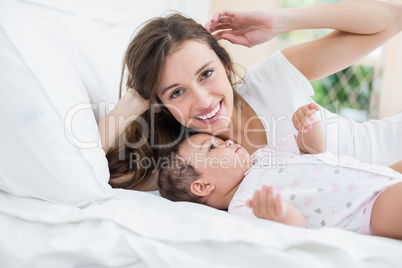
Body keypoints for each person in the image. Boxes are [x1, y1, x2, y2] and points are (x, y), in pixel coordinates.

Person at [98, 1, 402, 191]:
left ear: (226, 66)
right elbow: (84, 167)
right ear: (161, 105)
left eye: (206, 74)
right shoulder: (188, 167)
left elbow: (392, 17)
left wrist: (281, 22)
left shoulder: (272, 79)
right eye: (177, 92)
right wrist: (132, 102)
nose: (203, 101)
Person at [157, 103, 402, 239]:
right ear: (202, 185)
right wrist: (282, 214)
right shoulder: (244, 205)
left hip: (376, 175)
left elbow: (311, 150)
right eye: (213, 147)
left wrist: (307, 126)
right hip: (364, 211)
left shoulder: (262, 156)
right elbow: (292, 233)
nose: (227, 142)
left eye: (220, 139)